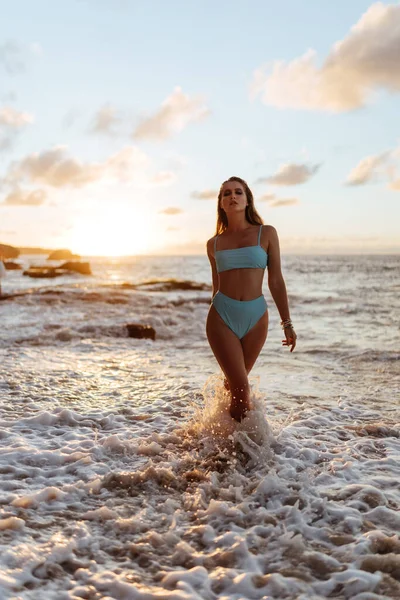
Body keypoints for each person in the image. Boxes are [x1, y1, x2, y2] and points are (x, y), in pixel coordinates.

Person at [206, 176, 297, 422]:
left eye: (238, 192)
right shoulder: (213, 244)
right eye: (226, 194)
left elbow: (275, 281)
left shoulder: (266, 234)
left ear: (247, 201)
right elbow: (217, 287)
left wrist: (286, 323)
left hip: (256, 318)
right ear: (221, 204)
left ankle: (221, 434)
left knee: (235, 386)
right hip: (222, 317)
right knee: (241, 390)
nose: (232, 196)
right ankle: (241, 449)